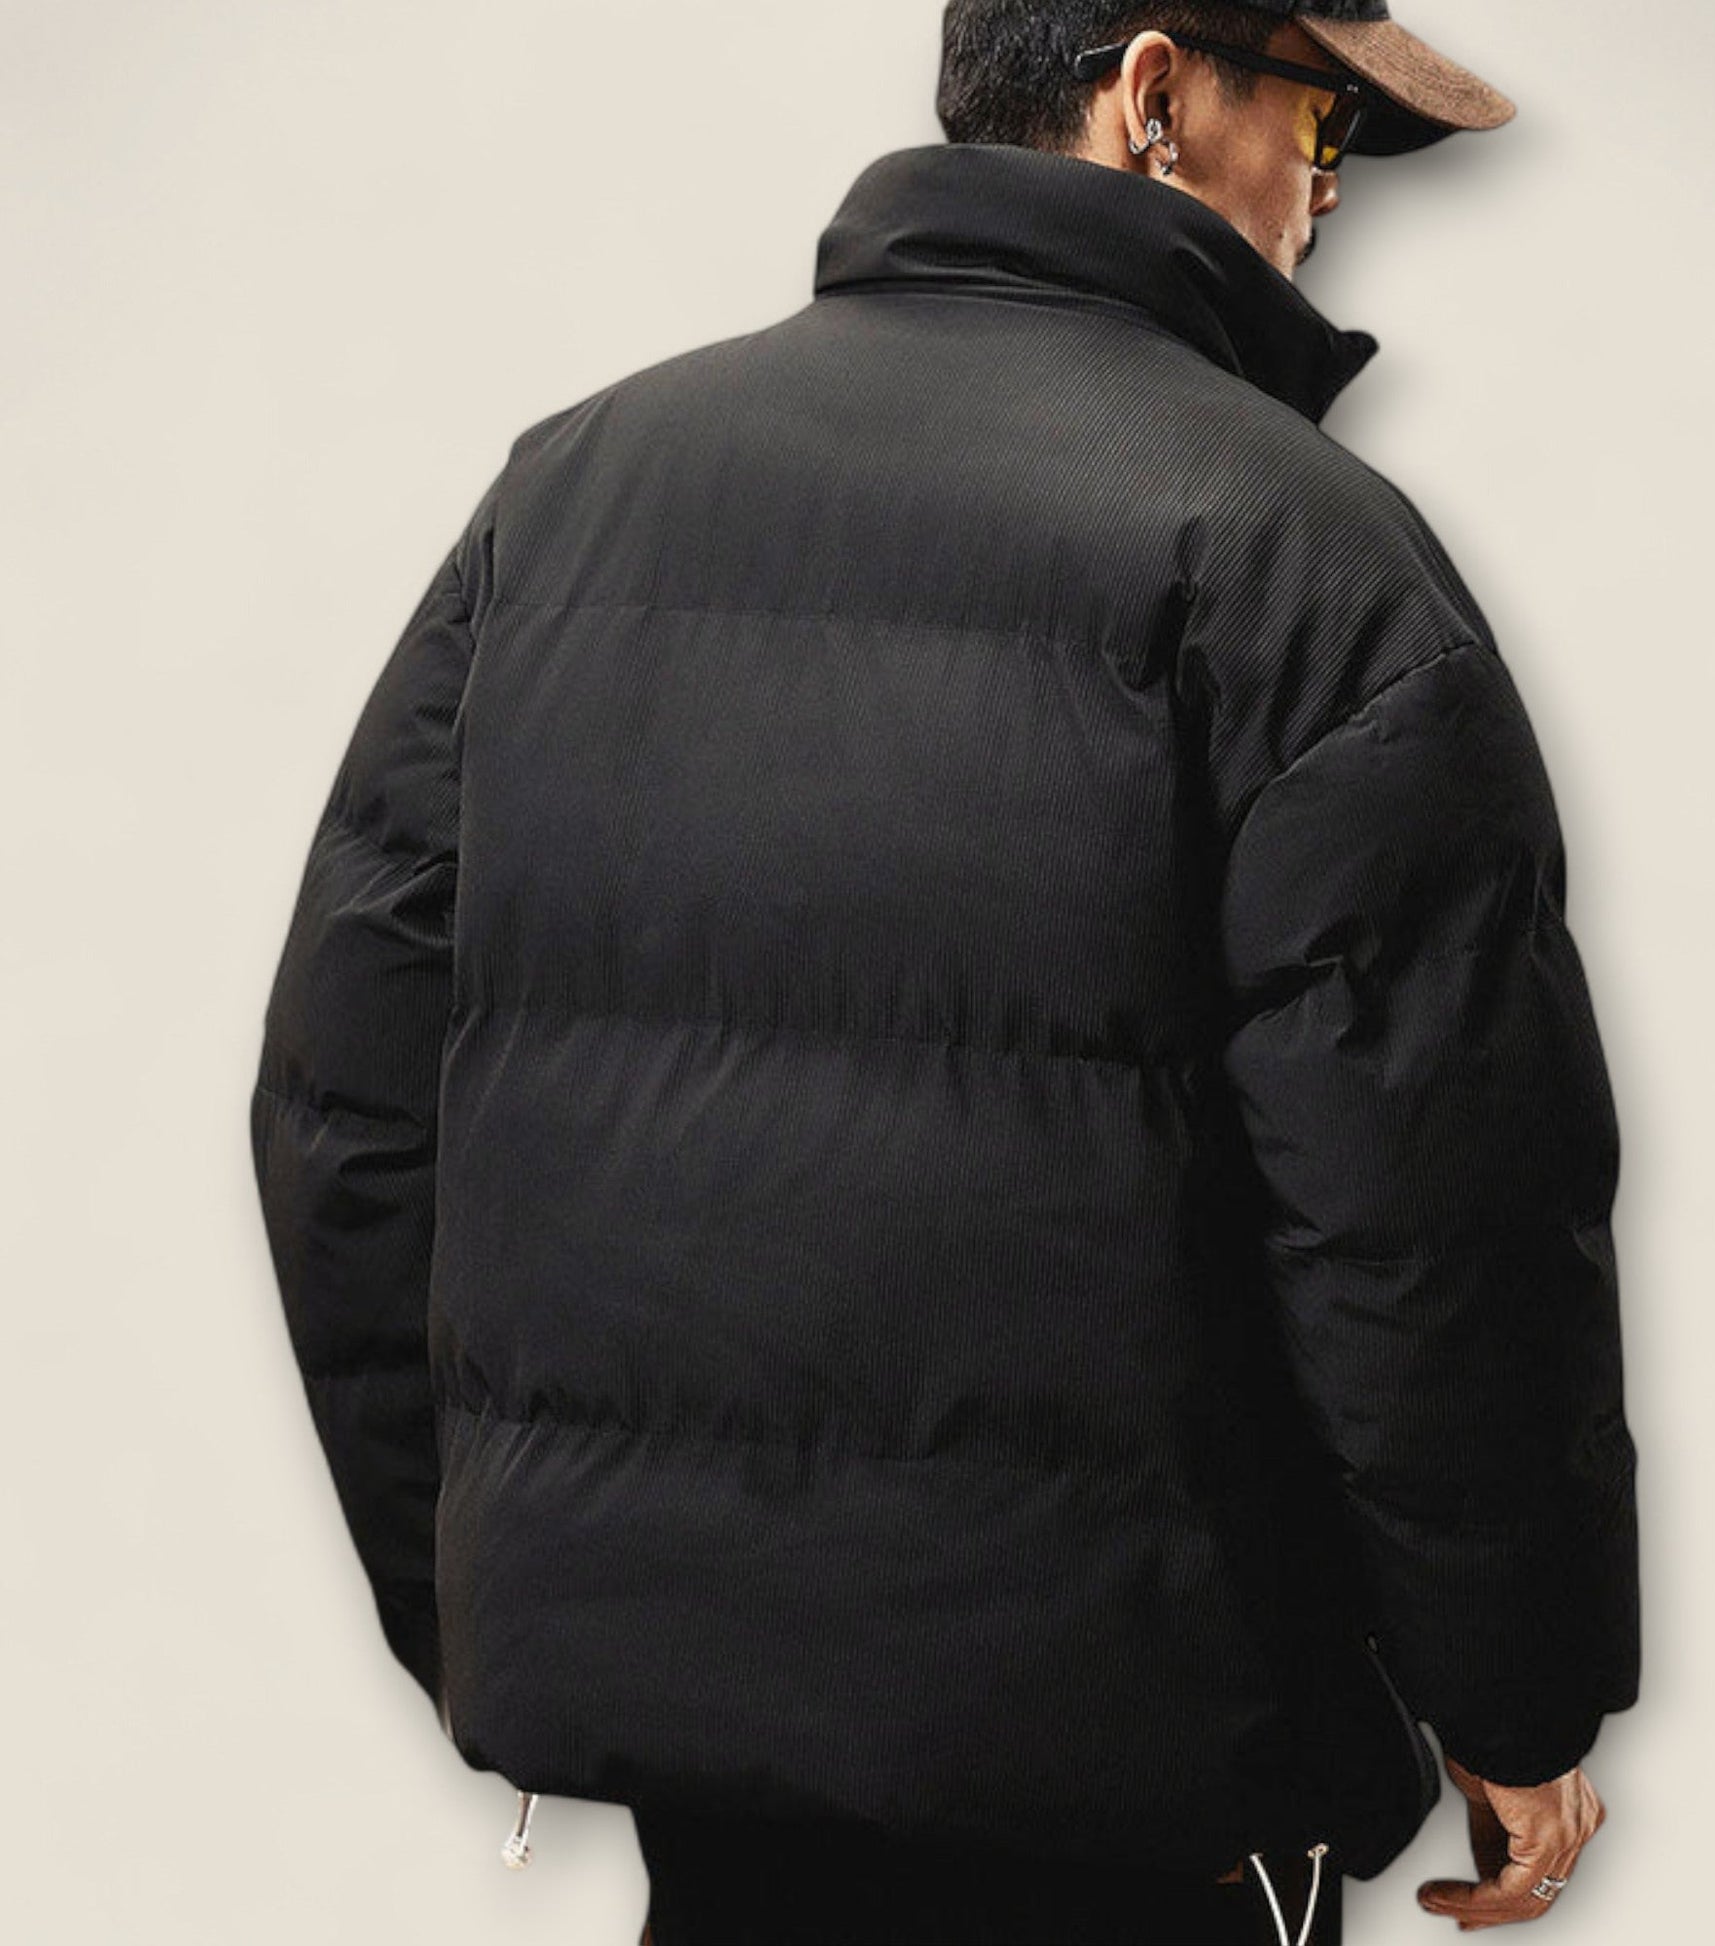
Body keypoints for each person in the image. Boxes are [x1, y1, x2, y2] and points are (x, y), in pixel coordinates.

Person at [246, 3, 1640, 1941]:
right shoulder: (1300, 559)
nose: (1324, 200)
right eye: (1317, 129)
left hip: (719, 1822)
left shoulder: (564, 501)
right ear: (1152, 95)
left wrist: (522, 1596)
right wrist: (1511, 1694)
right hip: (1155, 1825)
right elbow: (1434, 1212)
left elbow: (346, 1124)